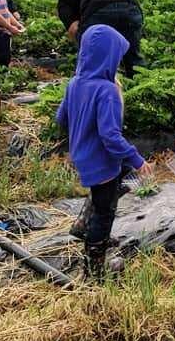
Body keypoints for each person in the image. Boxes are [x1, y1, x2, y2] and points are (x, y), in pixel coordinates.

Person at [55, 25, 153, 279]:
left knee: (118, 181)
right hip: (101, 159)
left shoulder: (75, 83)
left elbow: (61, 118)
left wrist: (82, 129)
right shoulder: (106, 90)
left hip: (82, 154)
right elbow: (110, 136)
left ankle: (82, 225)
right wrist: (137, 159)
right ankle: (95, 265)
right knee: (105, 210)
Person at [57, 0, 144, 77]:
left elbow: (73, 29)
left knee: (90, 59)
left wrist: (81, 44)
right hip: (132, 6)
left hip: (97, 7)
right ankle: (139, 85)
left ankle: (87, 87)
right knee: (132, 56)